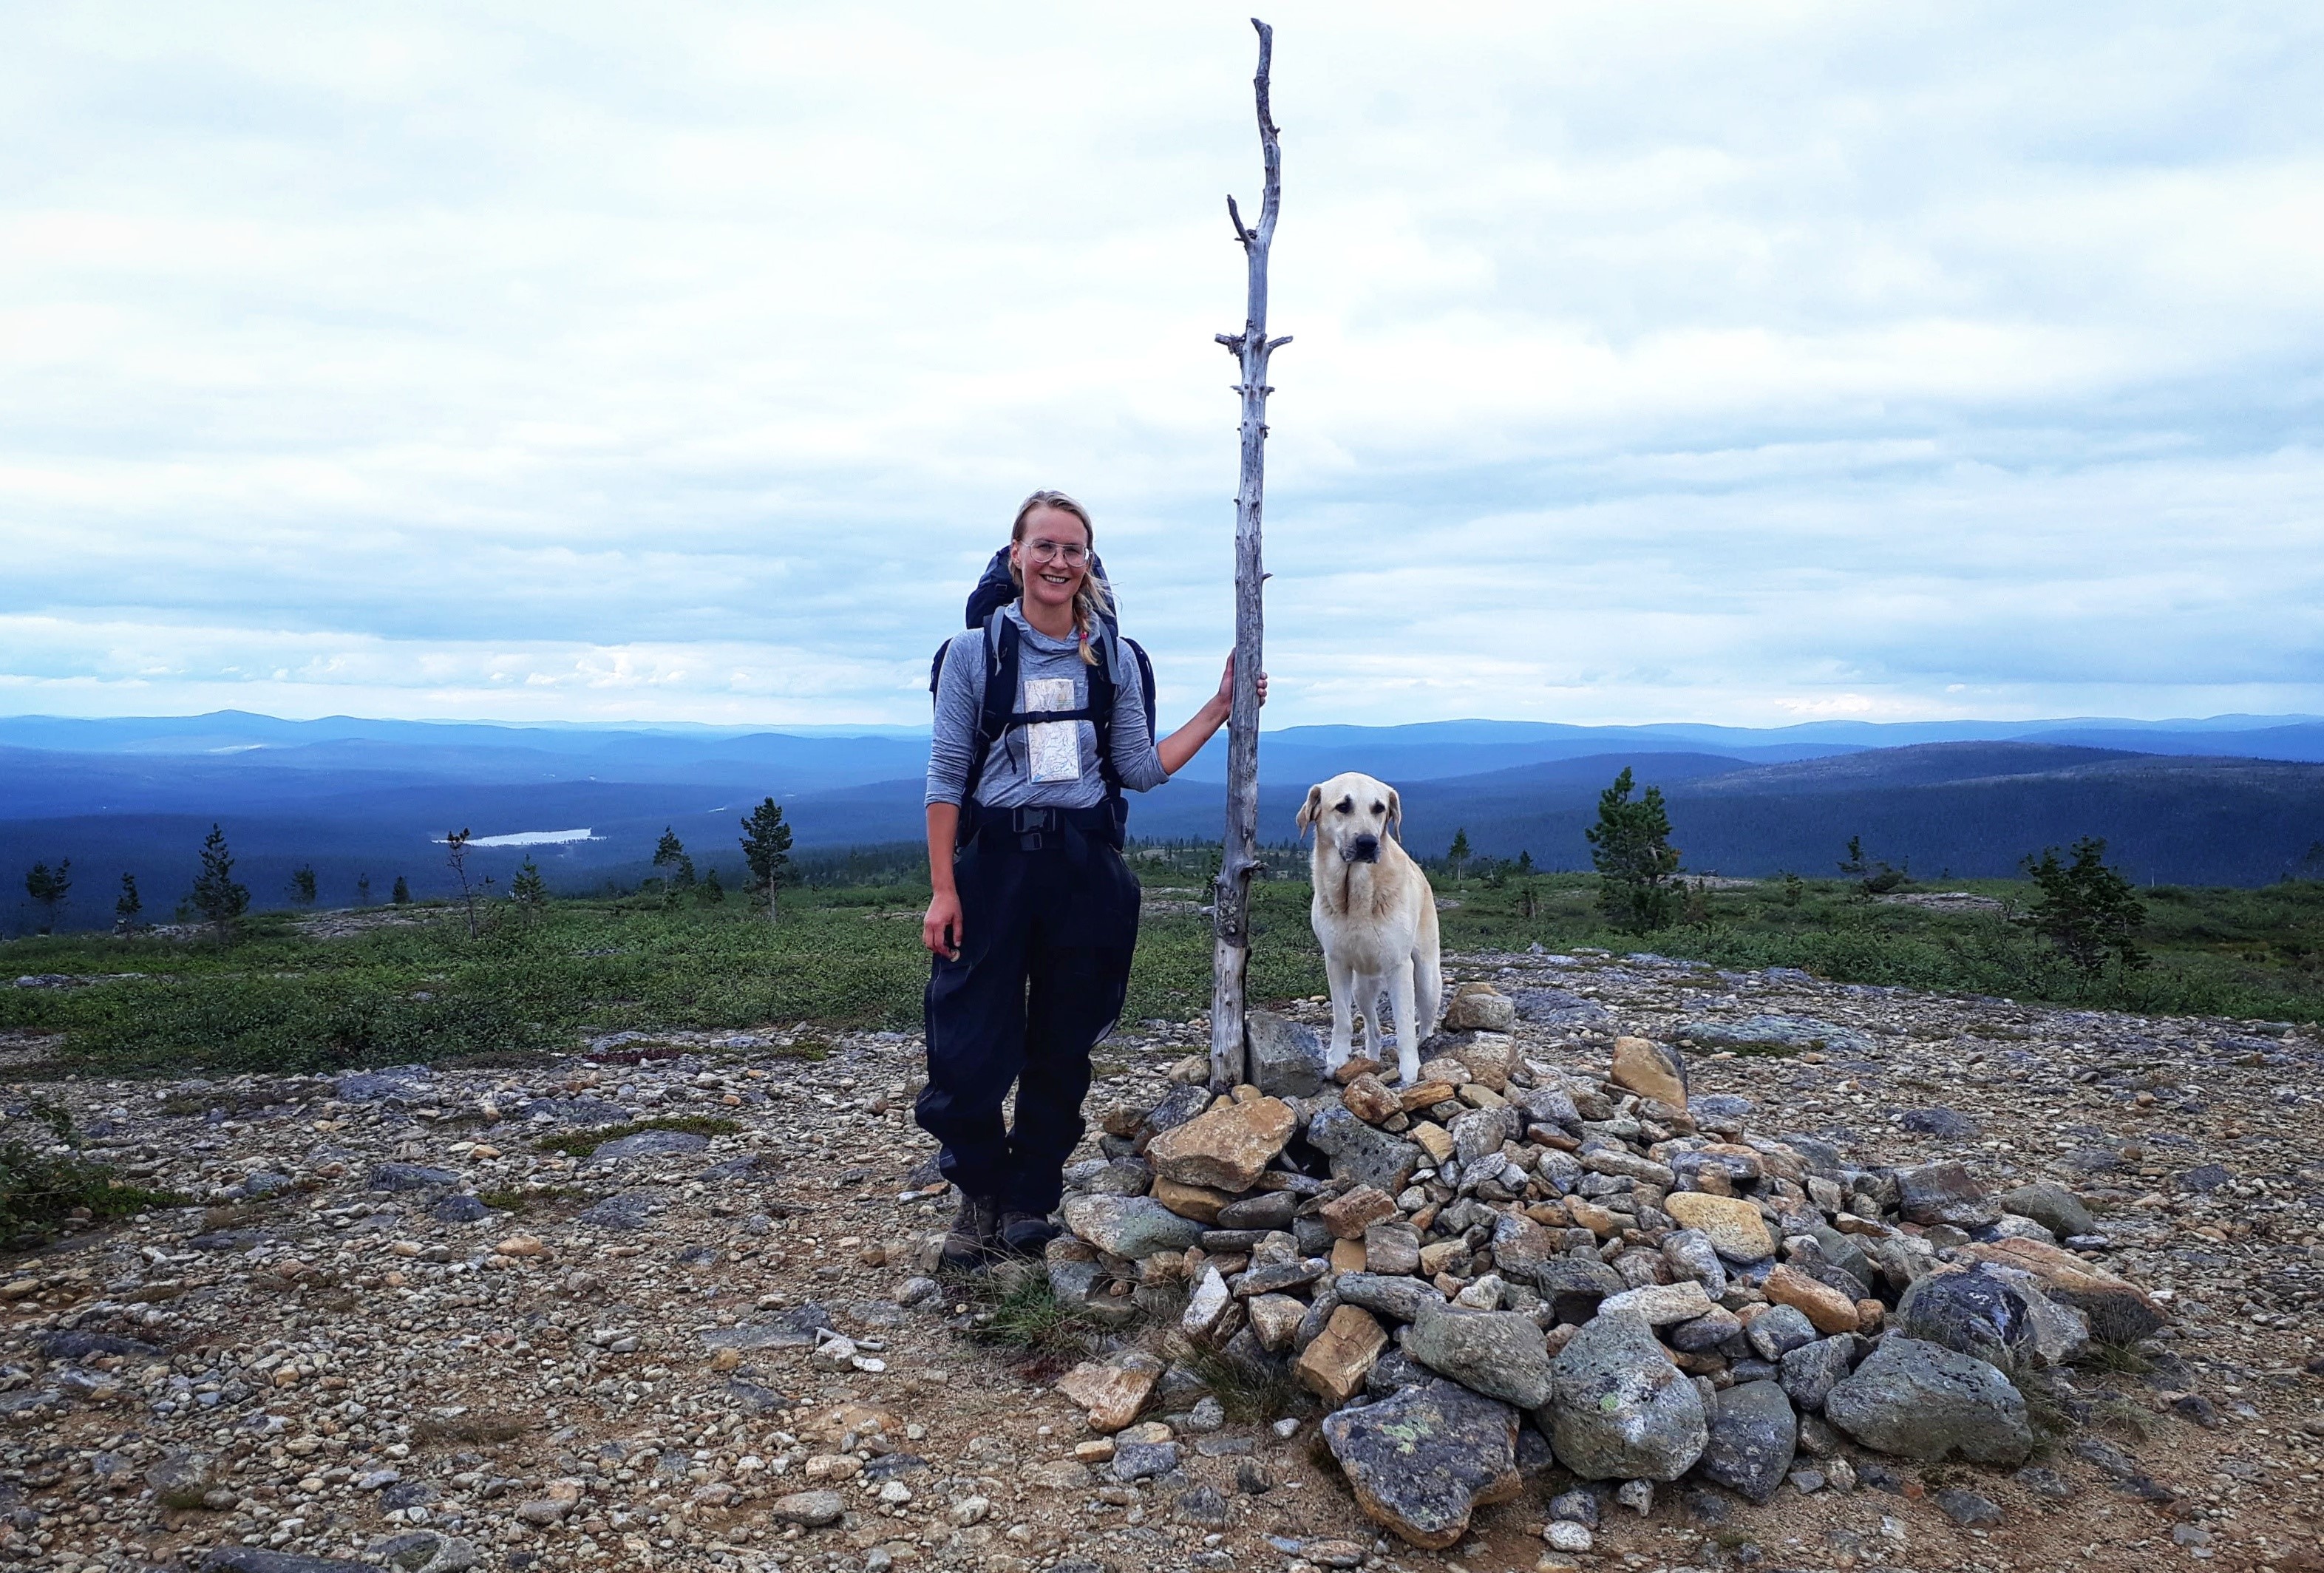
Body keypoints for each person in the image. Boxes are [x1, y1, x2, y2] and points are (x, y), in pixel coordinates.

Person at [920, 489, 1265, 1268]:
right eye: (1043, 546)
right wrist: (944, 887)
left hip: (1083, 870)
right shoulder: (975, 655)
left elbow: (1139, 768)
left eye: (1073, 549)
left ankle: (1027, 1201)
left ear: (1088, 563)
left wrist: (1218, 707)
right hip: (994, 867)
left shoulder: (1113, 656)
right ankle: (978, 1192)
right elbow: (945, 778)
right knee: (968, 1049)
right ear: (1016, 557)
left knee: (1063, 1043)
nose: (1057, 561)